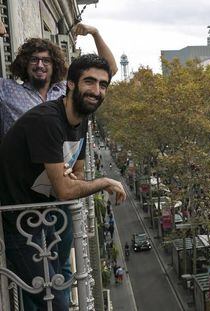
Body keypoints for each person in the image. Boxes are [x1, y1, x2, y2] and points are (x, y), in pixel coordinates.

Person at [0, 54, 126, 310]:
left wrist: (68, 181)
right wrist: (103, 181)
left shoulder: (81, 118)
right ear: (70, 84)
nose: (97, 91)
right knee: (52, 299)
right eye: (89, 82)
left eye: (103, 85)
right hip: (20, 221)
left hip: (50, 213)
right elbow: (67, 189)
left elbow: (76, 175)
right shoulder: (48, 120)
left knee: (62, 285)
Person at [0, 21, 118, 141]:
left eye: (46, 61)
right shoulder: (7, 90)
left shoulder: (66, 89)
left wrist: (95, 33)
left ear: (54, 65)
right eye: (34, 60)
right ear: (25, 63)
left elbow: (110, 69)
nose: (40, 65)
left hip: (59, 158)